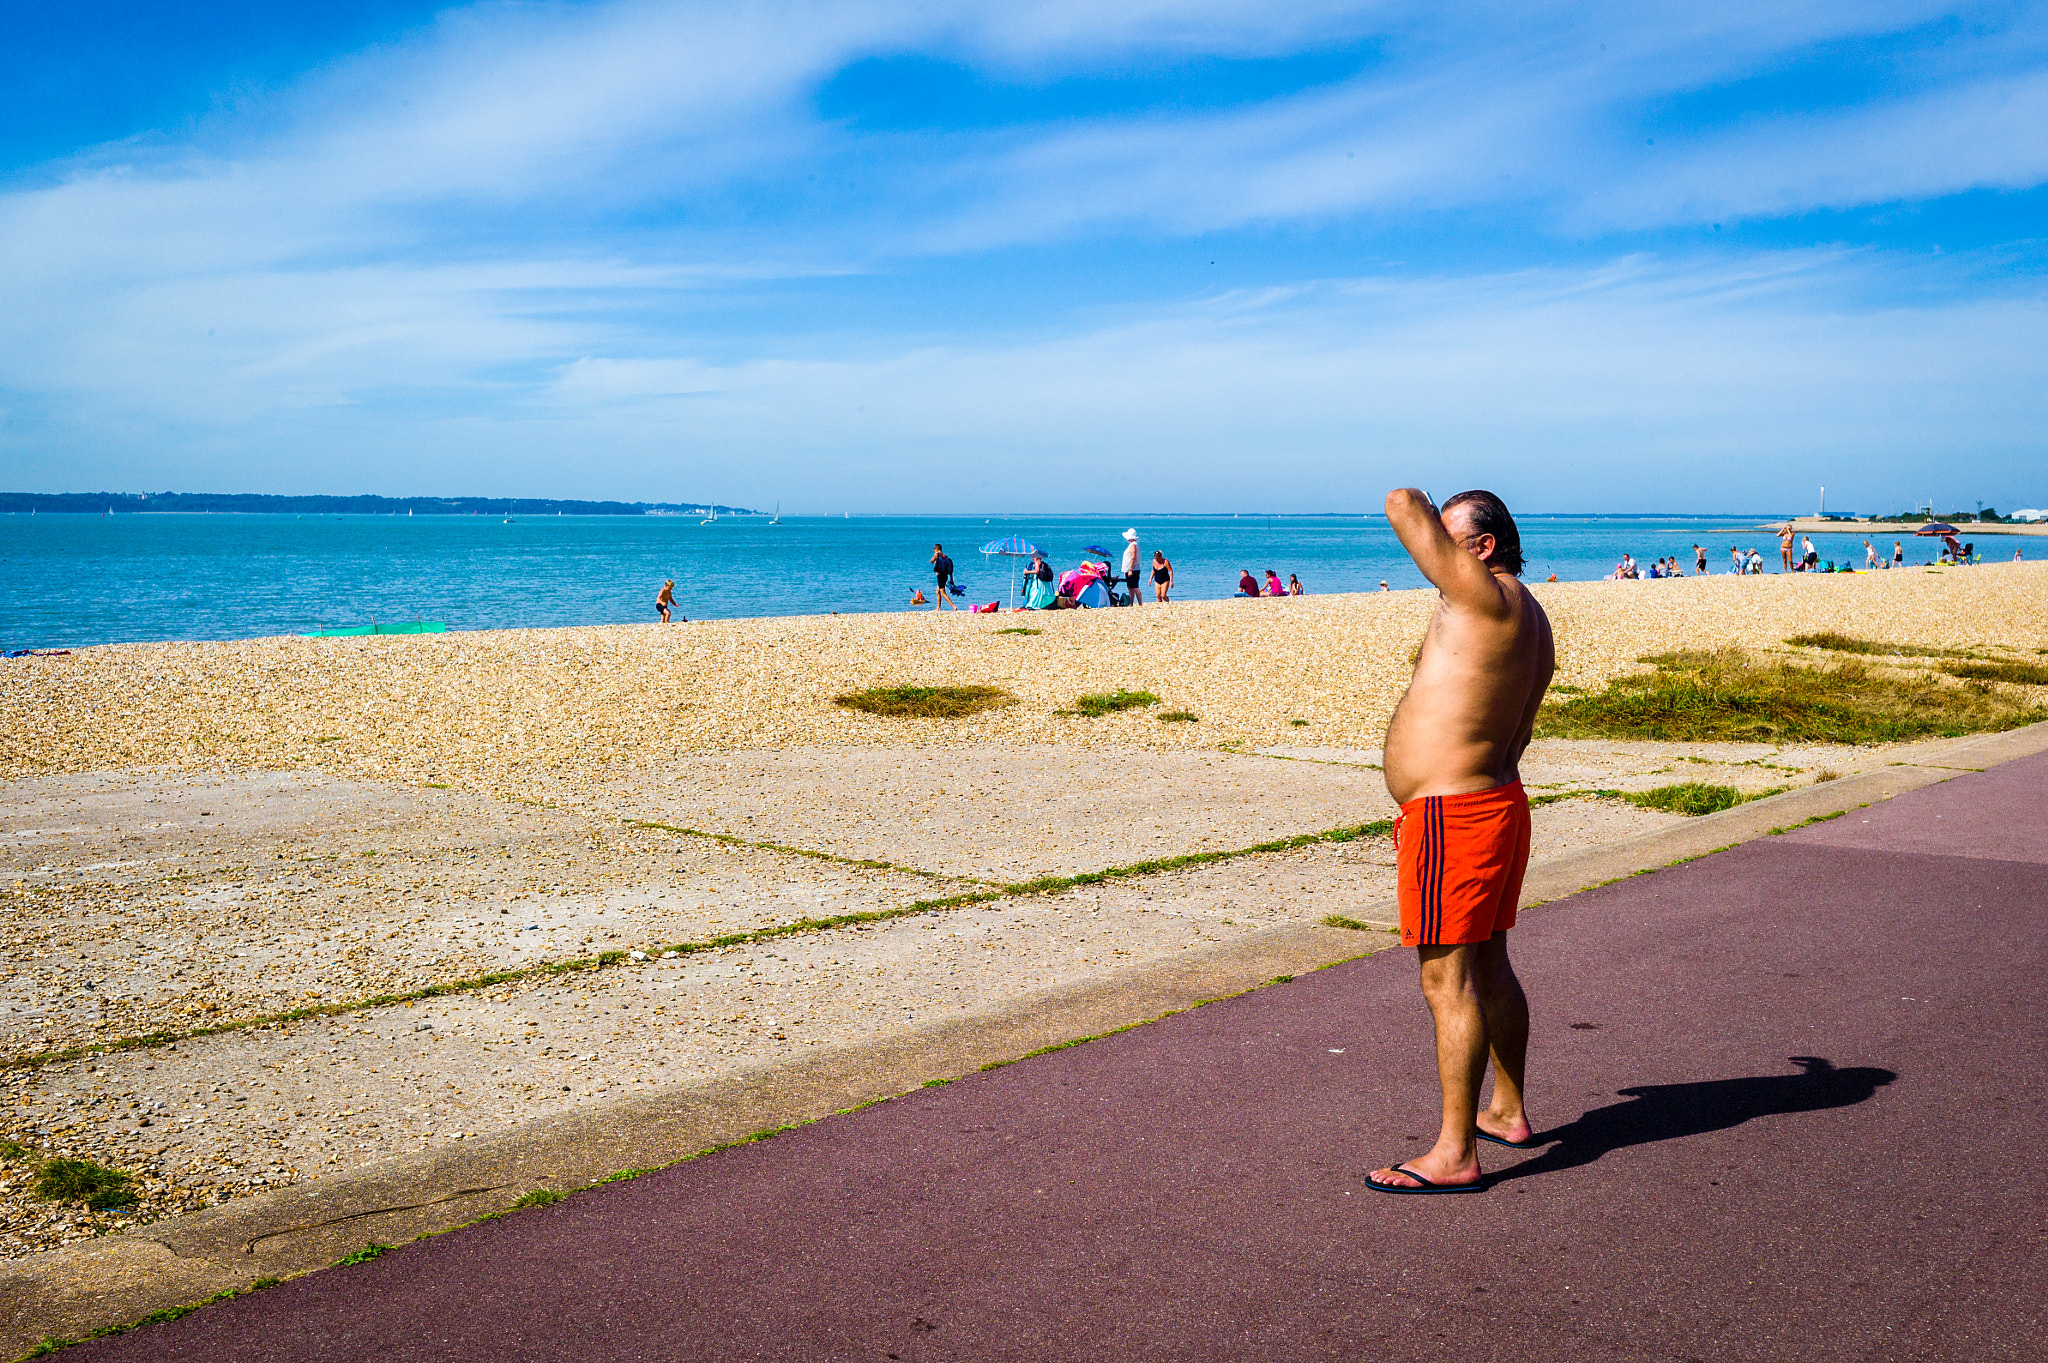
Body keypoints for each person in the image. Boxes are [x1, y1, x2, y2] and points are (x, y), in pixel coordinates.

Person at [1366, 488, 1553, 1195]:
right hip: (1497, 803)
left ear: (1481, 548)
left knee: (1446, 980)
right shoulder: (1528, 611)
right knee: (1493, 962)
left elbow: (1401, 502)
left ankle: (1454, 1153)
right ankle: (1505, 1108)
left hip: (1455, 814)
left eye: (1452, 539)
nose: (1435, 552)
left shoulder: (1482, 596)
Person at [1120, 529, 1142, 607]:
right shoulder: (1134, 544)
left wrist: (1130, 569)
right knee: (1130, 587)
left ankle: (1140, 603)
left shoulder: (1133, 545)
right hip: (1132, 569)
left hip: (1133, 569)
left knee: (1135, 587)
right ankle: (1131, 603)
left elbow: (1133, 557)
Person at [930, 544, 956, 610]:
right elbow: (950, 569)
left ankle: (953, 606)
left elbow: (931, 561)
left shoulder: (937, 555)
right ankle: (938, 608)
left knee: (943, 594)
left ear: (936, 549)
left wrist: (934, 557)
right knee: (937, 591)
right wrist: (951, 578)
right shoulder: (945, 556)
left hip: (940, 576)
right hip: (945, 576)